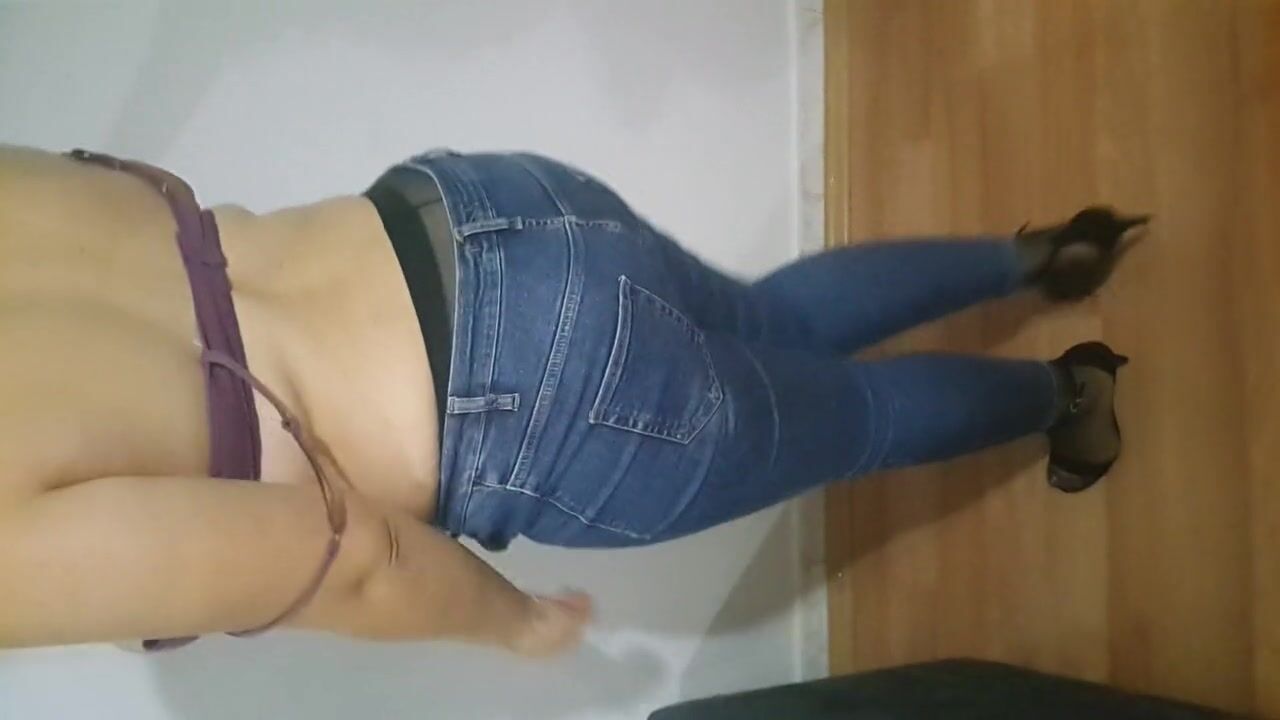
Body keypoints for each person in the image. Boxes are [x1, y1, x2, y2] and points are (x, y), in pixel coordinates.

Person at [0, 145, 1145, 657]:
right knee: (770, 320)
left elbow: (347, 556)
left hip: (537, 402)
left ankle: (1067, 391)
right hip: (481, 207)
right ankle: (1031, 257)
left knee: (857, 422)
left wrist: (511, 627)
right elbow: (163, 209)